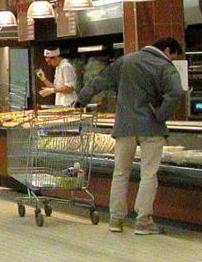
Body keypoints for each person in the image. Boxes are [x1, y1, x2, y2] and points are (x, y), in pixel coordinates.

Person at [77, 37, 186, 234]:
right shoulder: (164, 66)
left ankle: (115, 220)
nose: (173, 60)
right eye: (174, 56)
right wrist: (161, 114)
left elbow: (99, 80)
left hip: (125, 126)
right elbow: (177, 92)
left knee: (120, 173)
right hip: (151, 128)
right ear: (168, 50)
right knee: (148, 174)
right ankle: (143, 222)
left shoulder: (125, 61)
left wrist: (81, 99)